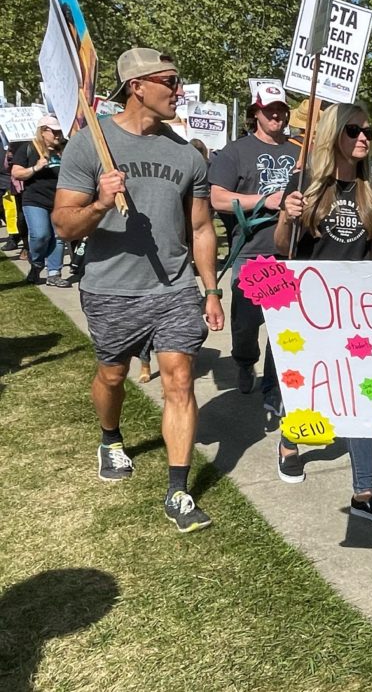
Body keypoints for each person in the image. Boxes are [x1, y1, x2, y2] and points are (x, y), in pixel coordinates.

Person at [54, 47, 224, 533]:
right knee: (112, 376)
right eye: (170, 81)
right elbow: (65, 225)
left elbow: (202, 228)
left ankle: (178, 491)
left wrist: (210, 290)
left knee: (179, 379)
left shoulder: (185, 153)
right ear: (138, 86)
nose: (179, 91)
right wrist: (102, 203)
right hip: (111, 289)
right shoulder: (91, 144)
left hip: (172, 287)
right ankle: (110, 438)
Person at [274, 103, 372, 527]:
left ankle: (364, 493)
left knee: (360, 394)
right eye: (354, 130)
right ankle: (290, 442)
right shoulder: (305, 184)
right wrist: (286, 217)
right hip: (309, 309)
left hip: (356, 312)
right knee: (312, 390)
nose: (364, 137)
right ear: (333, 135)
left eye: (368, 130)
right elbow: (281, 247)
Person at [210, 82, 297, 414]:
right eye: (269, 109)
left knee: (283, 325)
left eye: (281, 109)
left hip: (289, 252)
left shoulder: (299, 151)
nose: (276, 114)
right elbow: (218, 197)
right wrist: (266, 200)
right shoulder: (235, 151)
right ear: (255, 113)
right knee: (247, 323)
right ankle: (245, 361)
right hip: (252, 253)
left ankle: (274, 388)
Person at [12, 115, 70, 287]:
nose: (58, 135)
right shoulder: (28, 148)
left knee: (58, 237)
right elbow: (16, 172)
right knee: (40, 235)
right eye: (55, 131)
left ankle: (54, 273)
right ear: (43, 131)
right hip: (35, 199)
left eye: (60, 131)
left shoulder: (66, 148)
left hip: (60, 199)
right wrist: (35, 167)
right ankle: (37, 263)